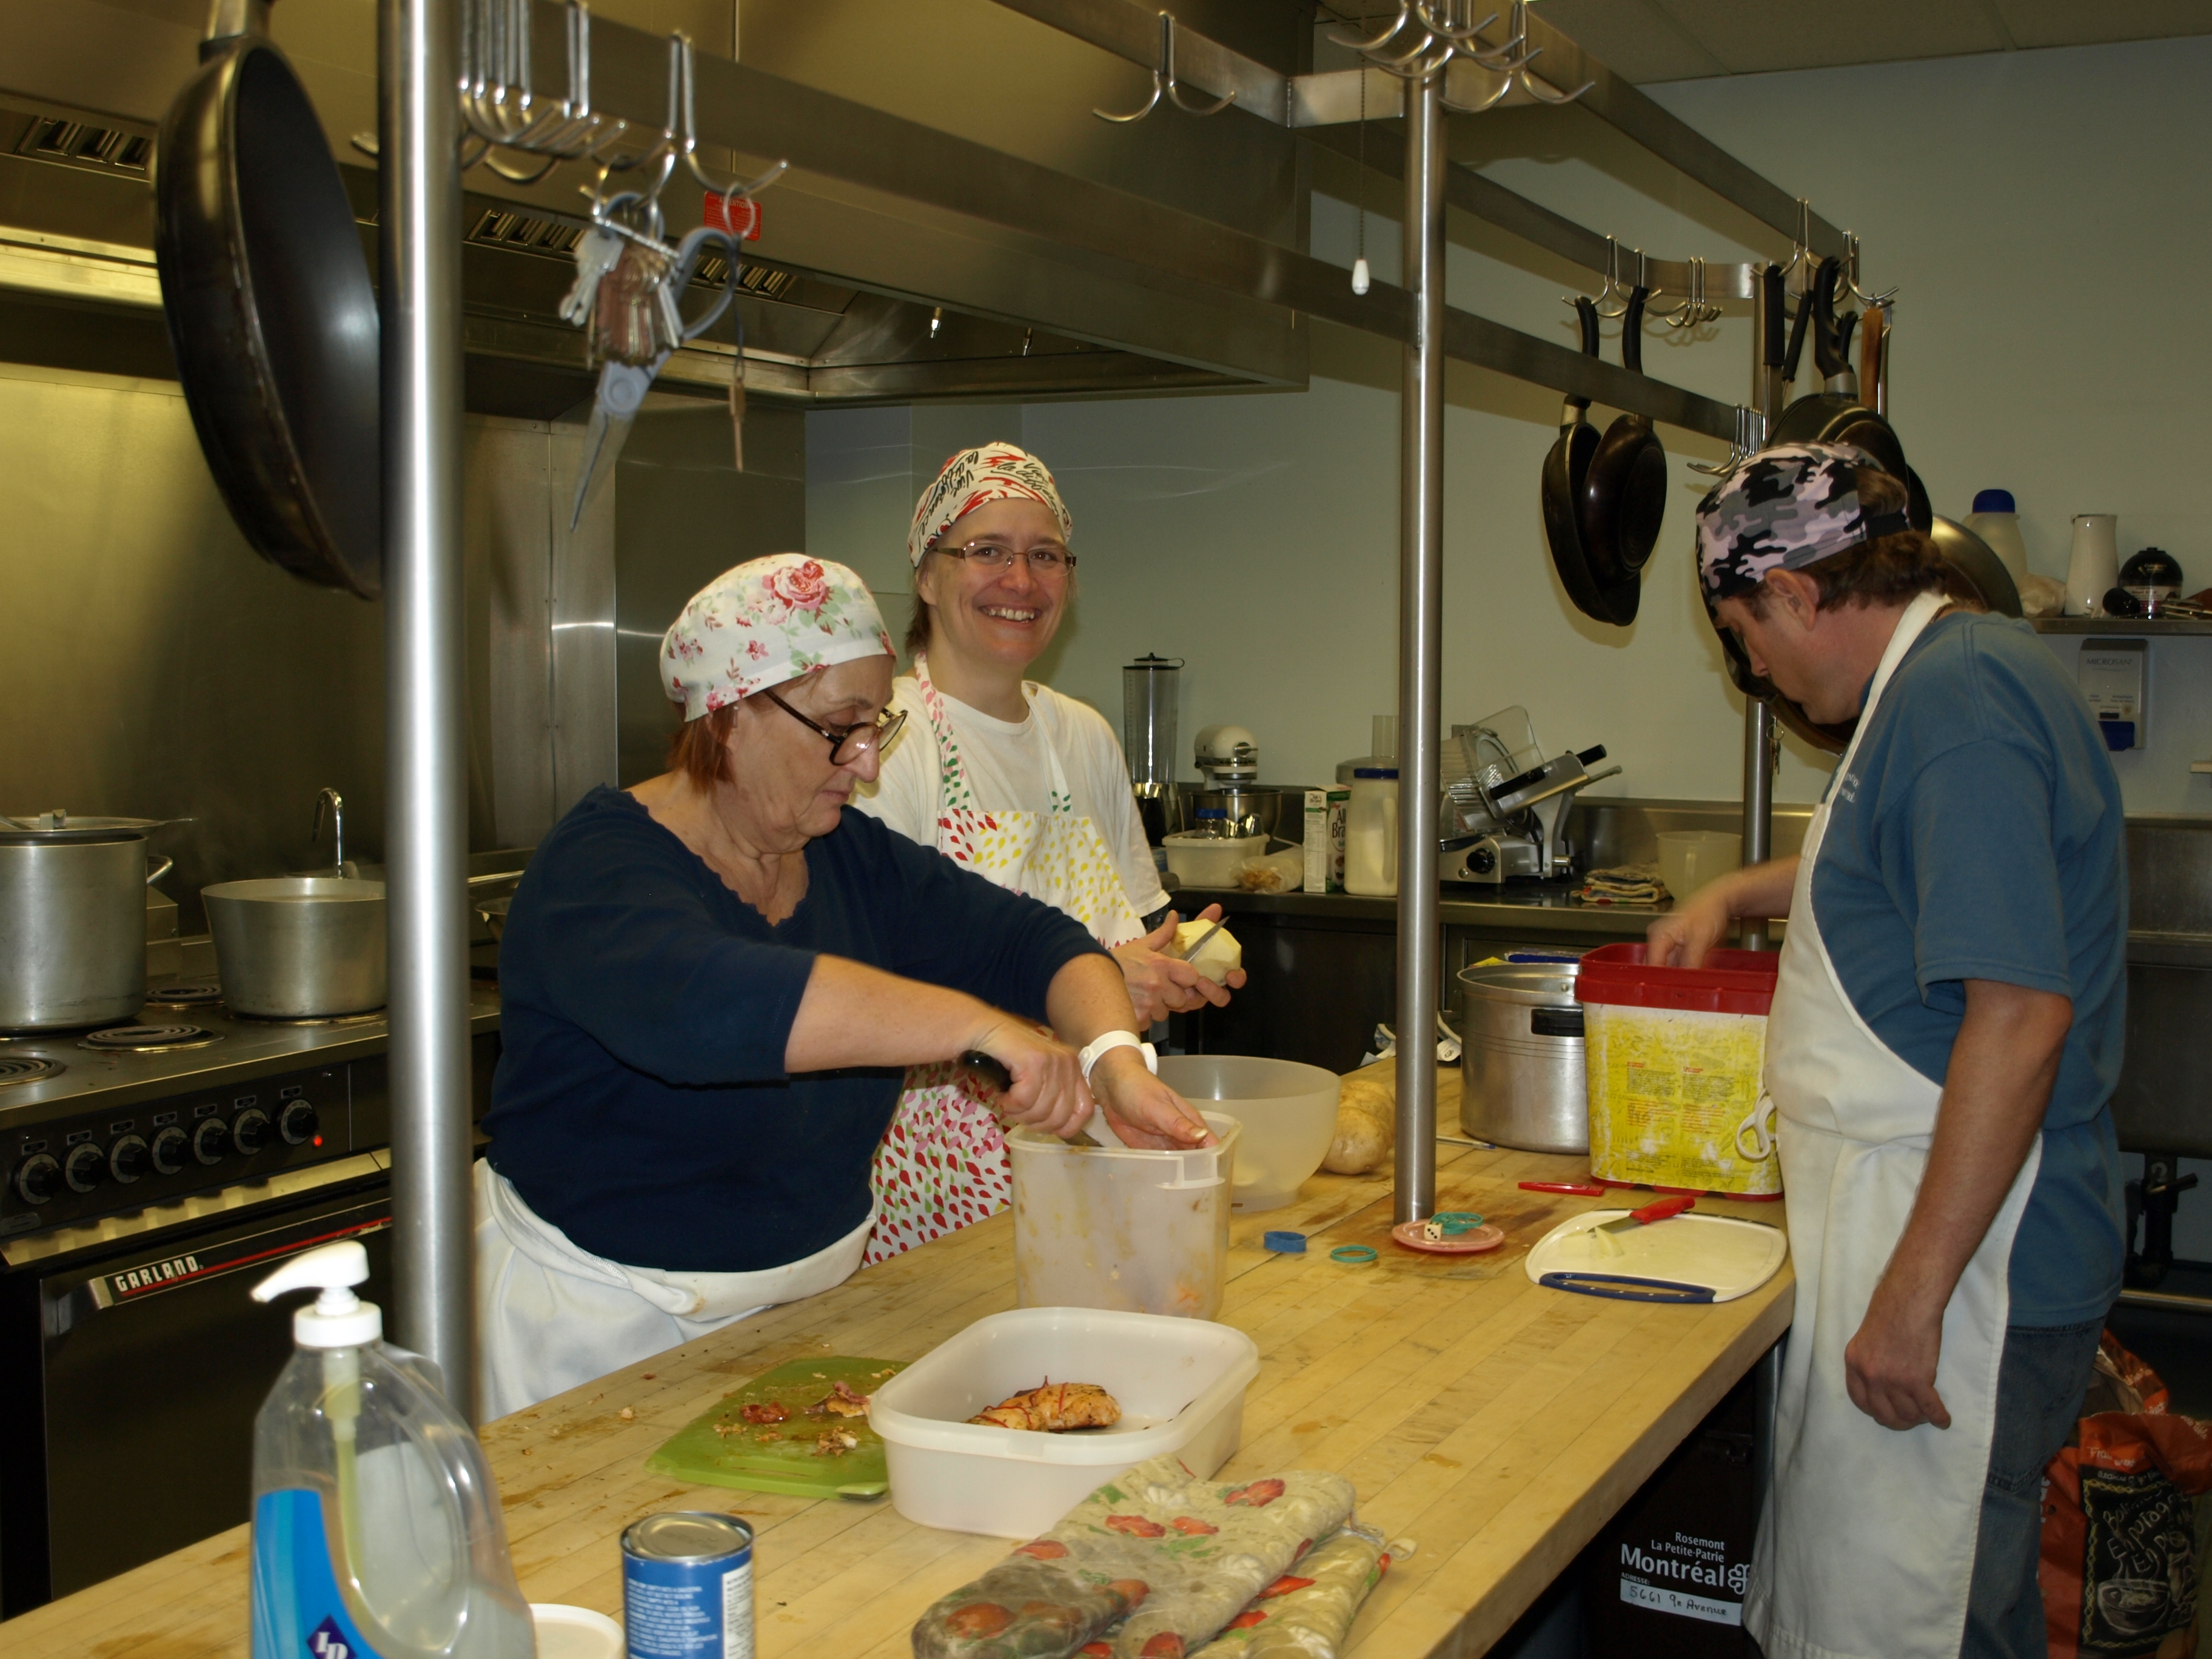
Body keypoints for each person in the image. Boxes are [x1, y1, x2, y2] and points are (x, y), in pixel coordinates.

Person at [475, 554, 1210, 1419]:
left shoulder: (846, 856)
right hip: (601, 1328)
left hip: (808, 1315)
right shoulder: (598, 868)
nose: (865, 765)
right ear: (729, 716)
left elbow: (1036, 943)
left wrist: (1114, 1061)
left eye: (876, 727)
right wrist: (977, 1027)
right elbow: (714, 1008)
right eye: (839, 728)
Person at [1649, 445, 2125, 1659]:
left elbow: (2019, 1018)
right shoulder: (1936, 684)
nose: (1754, 668)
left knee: (1934, 1615)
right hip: (1927, 1226)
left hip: (1973, 1268)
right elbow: (1885, 858)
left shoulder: (1960, 709)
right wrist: (1736, 894)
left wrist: (1912, 1302)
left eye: (1746, 636)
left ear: (1797, 591)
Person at [852, 443, 1246, 1262]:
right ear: (927, 577)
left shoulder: (1082, 735)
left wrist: (1166, 968)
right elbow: (864, 982)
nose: (1020, 581)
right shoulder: (888, 741)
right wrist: (1090, 986)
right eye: (987, 551)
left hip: (1099, 1130)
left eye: (1045, 555)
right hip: (940, 1163)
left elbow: (1128, 934)